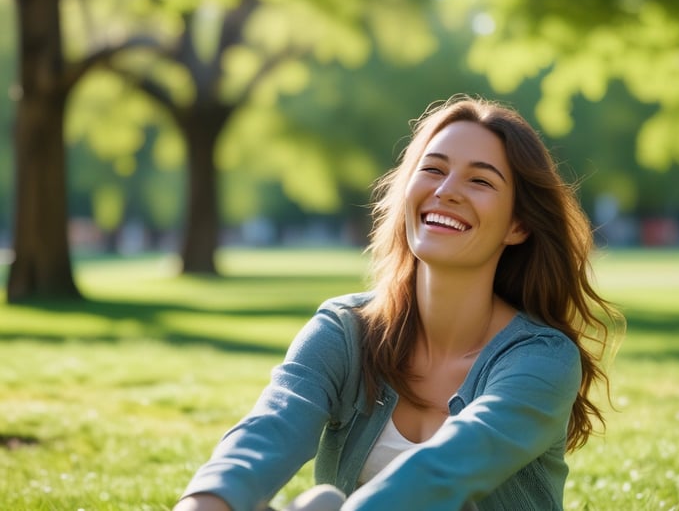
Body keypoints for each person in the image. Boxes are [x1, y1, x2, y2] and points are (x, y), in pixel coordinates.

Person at [173, 95, 623, 511]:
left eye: (481, 180)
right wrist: (205, 501)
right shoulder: (344, 331)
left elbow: (449, 467)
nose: (446, 190)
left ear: (518, 226)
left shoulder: (542, 358)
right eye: (432, 169)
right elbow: (271, 428)